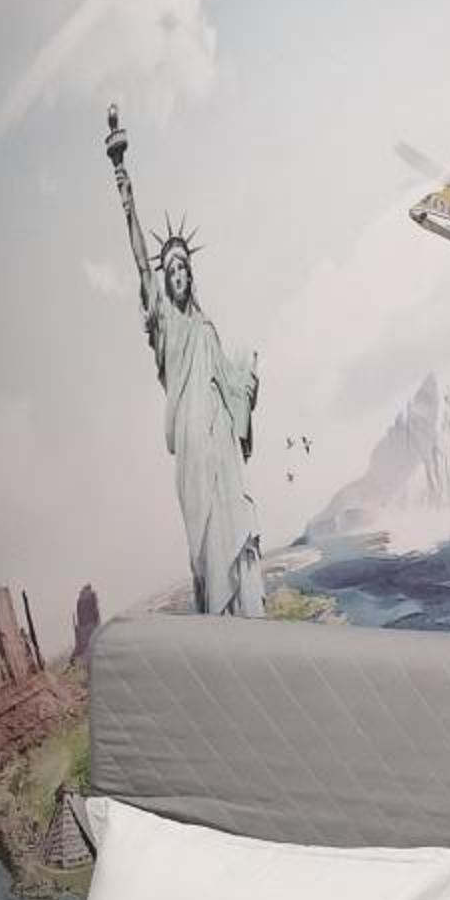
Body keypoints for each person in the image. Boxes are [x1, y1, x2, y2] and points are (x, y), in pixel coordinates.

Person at [105, 106, 264, 616]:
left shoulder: (207, 328)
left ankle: (247, 612)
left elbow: (234, 390)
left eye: (184, 269)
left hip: (219, 437)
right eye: (171, 269)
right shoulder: (167, 327)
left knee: (234, 516)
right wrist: (123, 184)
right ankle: (220, 610)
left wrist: (246, 382)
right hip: (193, 443)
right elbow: (139, 261)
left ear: (191, 276)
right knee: (208, 539)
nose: (178, 275)